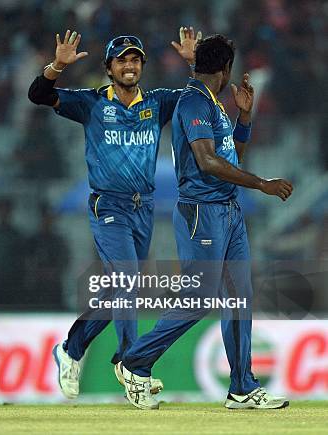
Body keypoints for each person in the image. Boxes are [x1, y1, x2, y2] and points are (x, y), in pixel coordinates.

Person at [119, 35, 293, 410]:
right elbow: (208, 163)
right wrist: (262, 184)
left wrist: (244, 118)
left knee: (239, 299)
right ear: (226, 68)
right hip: (203, 214)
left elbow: (231, 159)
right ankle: (134, 362)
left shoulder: (213, 103)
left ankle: (242, 387)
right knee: (199, 298)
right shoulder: (193, 102)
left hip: (228, 212)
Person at [28, 28, 199, 400]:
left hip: (144, 208)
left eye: (136, 59)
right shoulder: (91, 103)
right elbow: (38, 95)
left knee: (123, 291)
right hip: (108, 205)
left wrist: (193, 63)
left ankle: (71, 348)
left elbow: (199, 98)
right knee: (126, 283)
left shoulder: (157, 102)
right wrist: (57, 65)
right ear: (109, 67)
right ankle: (129, 365)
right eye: (122, 59)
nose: (130, 65)